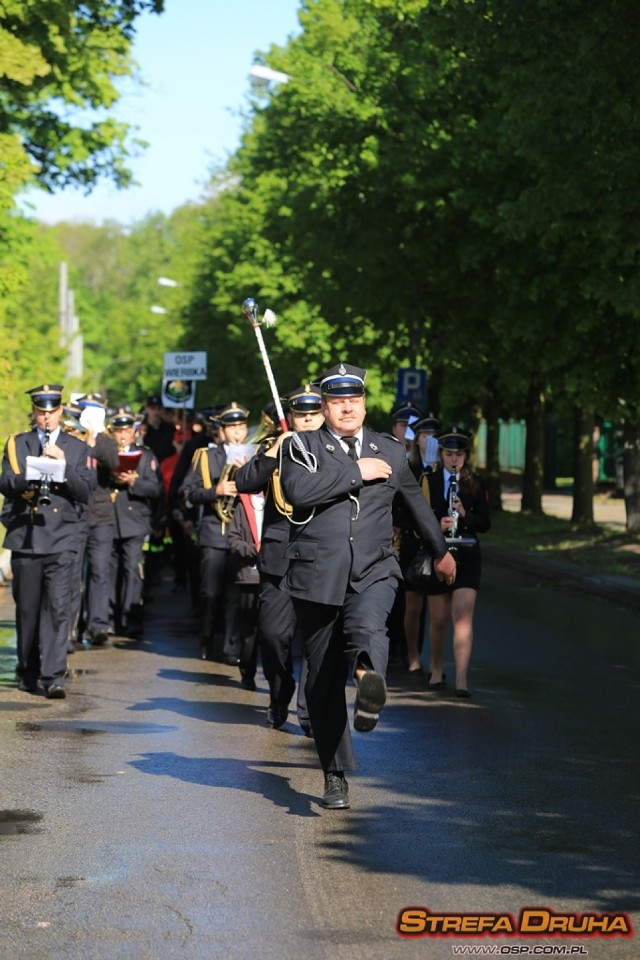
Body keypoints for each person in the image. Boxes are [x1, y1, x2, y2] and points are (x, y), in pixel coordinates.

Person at [278, 363, 456, 810]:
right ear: (324, 406)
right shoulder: (300, 446)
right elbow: (298, 493)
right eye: (337, 402)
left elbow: (417, 507)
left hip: (374, 569)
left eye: (353, 401)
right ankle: (334, 775)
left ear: (364, 403)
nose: (347, 408)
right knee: (320, 682)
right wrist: (356, 471)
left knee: (369, 628)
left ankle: (367, 680)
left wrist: (440, 551)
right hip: (317, 576)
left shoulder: (391, 451)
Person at [235, 385, 324, 733]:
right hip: (279, 555)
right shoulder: (276, 445)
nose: (307, 420)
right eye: (301, 415)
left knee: (316, 640)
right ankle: (280, 690)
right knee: (273, 636)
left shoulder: (336, 450)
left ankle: (308, 710)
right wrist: (274, 448)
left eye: (313, 414)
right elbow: (246, 481)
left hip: (320, 556)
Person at [0, 384, 96, 697]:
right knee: (27, 609)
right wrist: (31, 473)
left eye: (51, 411)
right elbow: (5, 483)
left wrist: (63, 465)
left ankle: (53, 674)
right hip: (27, 536)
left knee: (57, 608)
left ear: (59, 412)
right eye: (40, 411)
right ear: (34, 412)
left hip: (63, 537)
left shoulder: (77, 446)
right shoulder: (18, 443)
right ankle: (27, 669)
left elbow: (85, 491)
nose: (46, 417)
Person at [179, 402, 250, 662]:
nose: (238, 432)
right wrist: (216, 492)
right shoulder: (206, 457)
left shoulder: (253, 454)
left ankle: (231, 648)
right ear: (222, 429)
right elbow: (188, 492)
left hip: (241, 533)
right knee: (210, 592)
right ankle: (207, 638)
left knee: (235, 593)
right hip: (214, 531)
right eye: (232, 427)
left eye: (241, 426)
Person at [425, 427, 491, 698]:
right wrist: (436, 525)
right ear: (441, 454)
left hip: (467, 552)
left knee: (462, 617)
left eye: (459, 454)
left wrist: (465, 515)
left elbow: (485, 523)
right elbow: (419, 515)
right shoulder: (428, 480)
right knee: (439, 619)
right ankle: (437, 668)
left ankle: (462, 679)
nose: (454, 459)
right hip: (440, 552)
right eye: (449, 454)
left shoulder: (475, 481)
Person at [108, 407, 163, 639]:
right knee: (109, 571)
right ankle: (110, 619)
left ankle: (131, 619)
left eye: (126, 431)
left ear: (134, 432)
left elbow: (156, 489)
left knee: (132, 570)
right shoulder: (105, 454)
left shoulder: (146, 456)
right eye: (118, 431)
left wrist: (133, 482)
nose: (122, 436)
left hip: (134, 521)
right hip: (109, 519)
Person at [399, 414, 442, 674]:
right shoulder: (409, 469)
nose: (430, 441)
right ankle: (411, 653)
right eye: (425, 436)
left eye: (434, 436)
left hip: (437, 545)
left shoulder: (442, 471)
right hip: (413, 543)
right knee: (412, 605)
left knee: (435, 606)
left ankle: (431, 657)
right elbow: (398, 508)